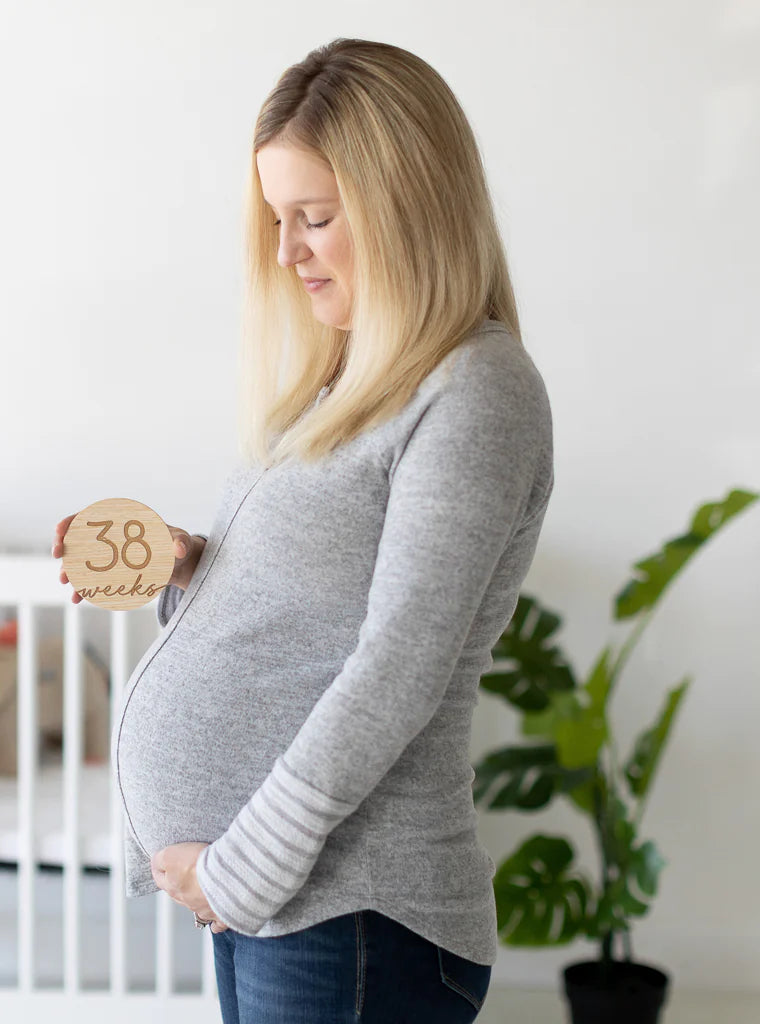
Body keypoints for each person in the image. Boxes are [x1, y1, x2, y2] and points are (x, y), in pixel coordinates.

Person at [52, 37, 553, 1024]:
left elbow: (396, 671)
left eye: (314, 218)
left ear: (405, 203)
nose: (287, 253)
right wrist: (194, 570)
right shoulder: (342, 379)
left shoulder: (475, 390)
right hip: (290, 907)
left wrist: (241, 871)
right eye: (279, 220)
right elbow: (314, 617)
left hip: (354, 908)